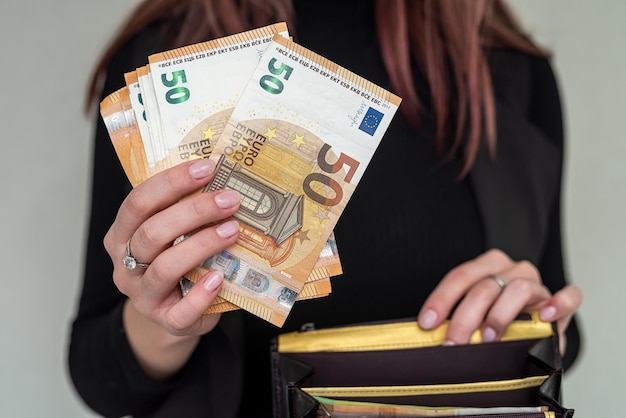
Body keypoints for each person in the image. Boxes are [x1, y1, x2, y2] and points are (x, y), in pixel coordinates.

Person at [68, 0, 583, 417]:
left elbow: (560, 333)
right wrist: (160, 320)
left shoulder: (511, 70)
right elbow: (100, 376)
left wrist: (529, 319)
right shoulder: (162, 56)